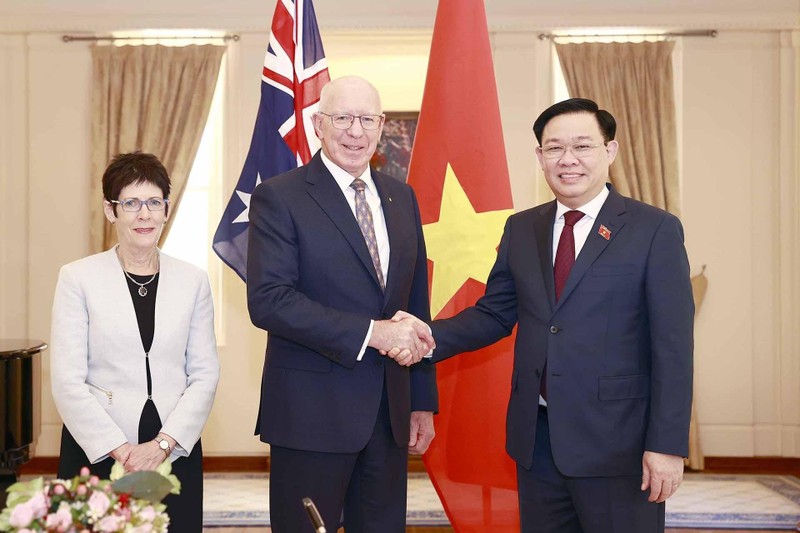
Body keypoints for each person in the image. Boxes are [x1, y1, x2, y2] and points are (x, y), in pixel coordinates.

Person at [392, 98, 694, 532]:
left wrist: (666, 445)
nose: (567, 160)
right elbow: (495, 314)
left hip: (619, 445)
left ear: (610, 151)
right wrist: (423, 337)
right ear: (539, 157)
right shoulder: (522, 228)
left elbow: (674, 348)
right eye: (554, 149)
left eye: (582, 146)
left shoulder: (654, 230)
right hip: (538, 443)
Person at [246, 75, 438, 533]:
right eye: (343, 118)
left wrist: (422, 400)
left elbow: (415, 306)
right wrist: (373, 333)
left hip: (388, 415)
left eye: (367, 119)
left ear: (381, 125)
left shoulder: (401, 197)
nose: (355, 131)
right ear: (318, 124)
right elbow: (269, 301)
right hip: (310, 414)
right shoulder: (280, 196)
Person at [50, 151, 220, 531]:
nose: (144, 215)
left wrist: (162, 445)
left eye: (153, 203)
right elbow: (67, 380)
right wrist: (122, 451)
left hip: (172, 447)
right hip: (96, 446)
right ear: (111, 211)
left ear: (166, 209)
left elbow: (205, 374)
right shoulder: (78, 279)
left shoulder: (193, 280)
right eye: (131, 203)